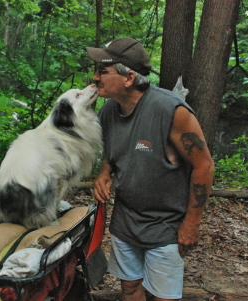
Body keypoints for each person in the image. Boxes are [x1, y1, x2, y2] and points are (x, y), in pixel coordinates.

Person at [86, 37, 215, 301]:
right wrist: (104, 172)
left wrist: (192, 223)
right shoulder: (109, 110)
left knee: (162, 297)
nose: (95, 77)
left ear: (129, 77)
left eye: (103, 71)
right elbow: (113, 151)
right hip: (125, 222)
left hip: (165, 226)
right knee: (130, 288)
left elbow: (204, 166)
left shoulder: (170, 110)